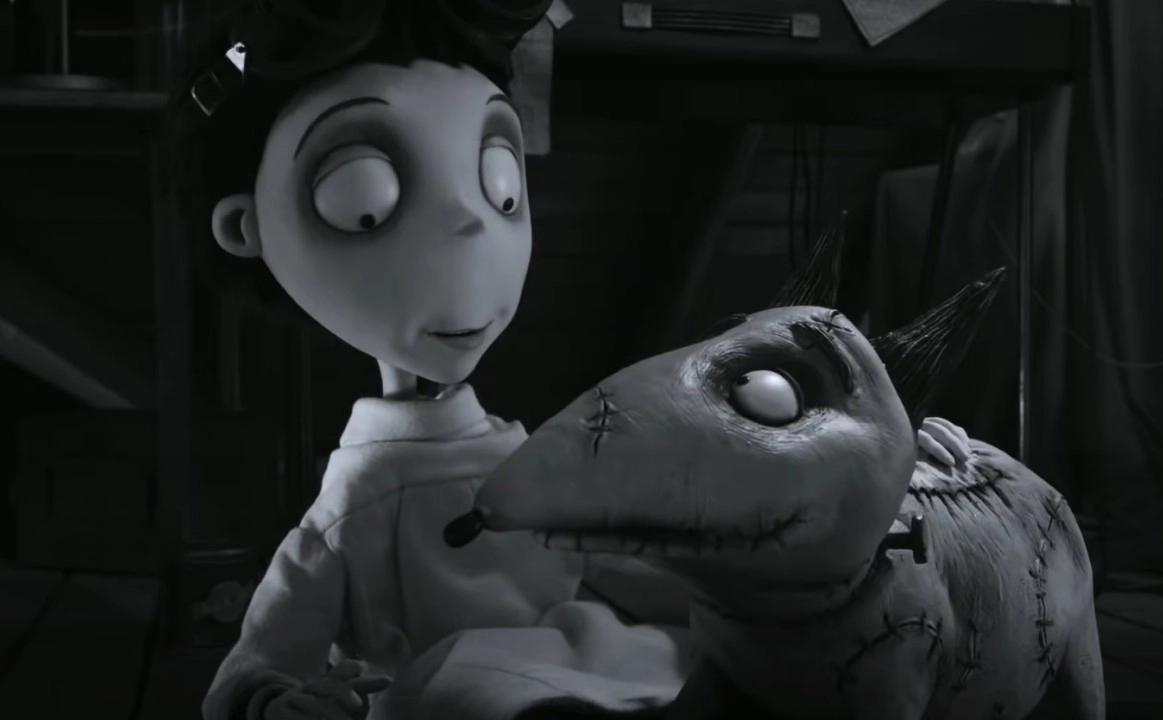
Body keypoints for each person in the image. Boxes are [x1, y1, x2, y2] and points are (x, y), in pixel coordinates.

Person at [174, 2, 975, 718]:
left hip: (627, 670)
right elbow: (256, 667)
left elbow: (661, 569)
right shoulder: (348, 516)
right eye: (364, 202)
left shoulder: (534, 459)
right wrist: (278, 700)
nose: (469, 225)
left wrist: (866, 480)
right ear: (246, 228)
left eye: (500, 186)